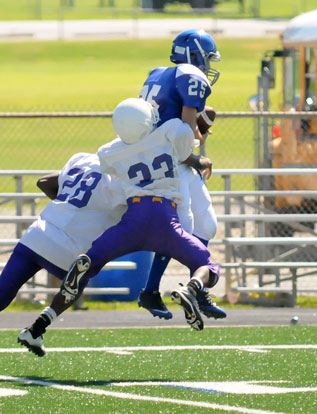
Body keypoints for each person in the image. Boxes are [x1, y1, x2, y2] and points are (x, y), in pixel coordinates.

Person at [18, 98, 221, 357]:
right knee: (207, 264)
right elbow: (187, 143)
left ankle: (38, 327)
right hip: (165, 218)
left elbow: (107, 171)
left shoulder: (109, 151)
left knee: (87, 266)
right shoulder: (169, 132)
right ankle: (190, 287)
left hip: (132, 219)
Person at [138, 29, 226, 320]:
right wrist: (198, 153)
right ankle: (152, 290)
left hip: (171, 158)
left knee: (207, 225)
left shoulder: (158, 73)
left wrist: (199, 131)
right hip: (174, 162)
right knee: (182, 228)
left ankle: (197, 290)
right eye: (208, 58)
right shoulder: (189, 74)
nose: (209, 65)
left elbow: (173, 119)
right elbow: (187, 128)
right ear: (196, 54)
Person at [0, 152, 127, 313]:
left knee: (2, 293)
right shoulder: (127, 182)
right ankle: (38, 327)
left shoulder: (82, 159)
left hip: (36, 236)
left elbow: (44, 182)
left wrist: (65, 207)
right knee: (81, 278)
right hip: (69, 253)